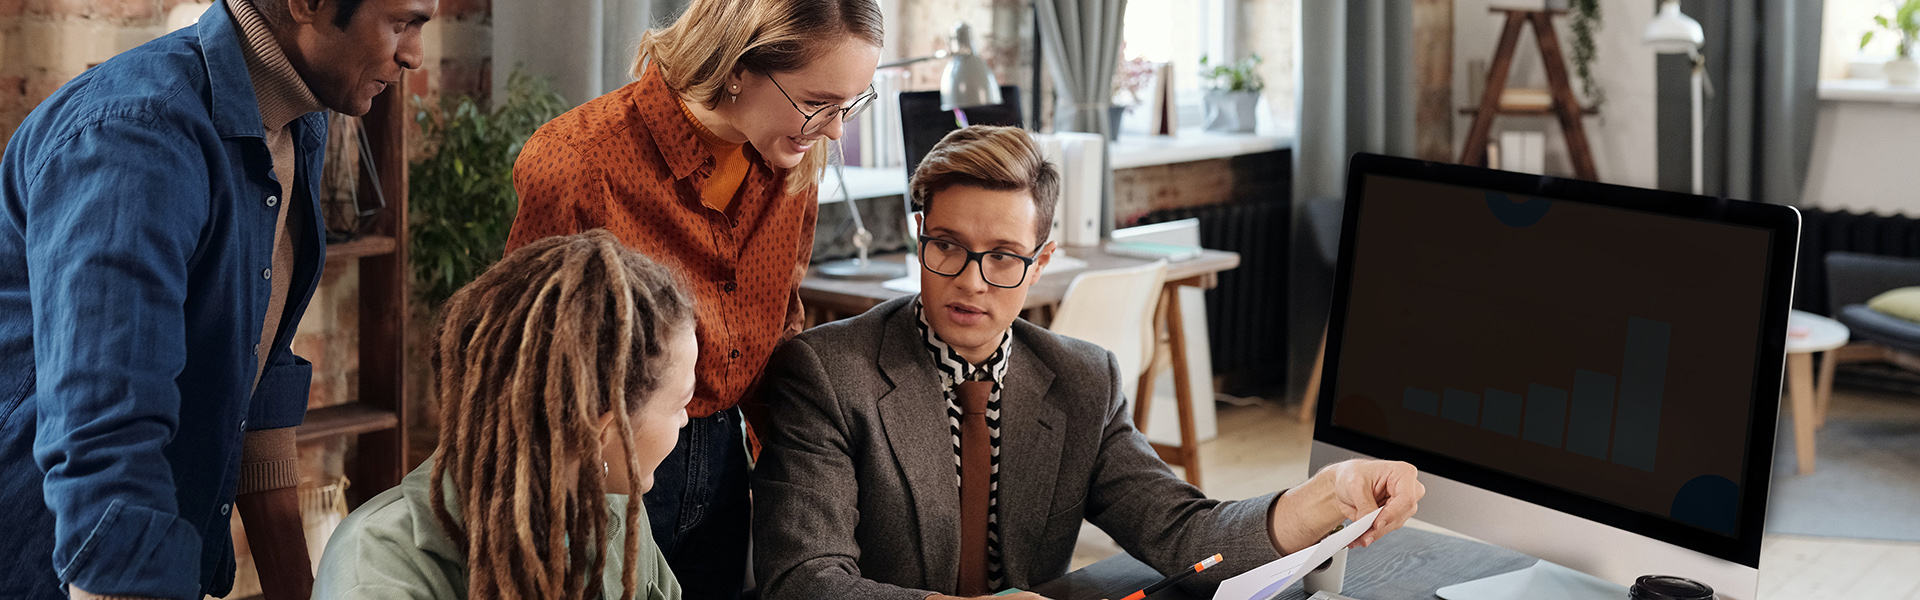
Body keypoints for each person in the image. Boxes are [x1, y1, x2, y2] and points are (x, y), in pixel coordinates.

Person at [751, 126, 1429, 600]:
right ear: (918, 235)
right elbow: (805, 581)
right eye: (948, 246)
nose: (972, 281)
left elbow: (1185, 536)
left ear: (1042, 262)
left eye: (1005, 257)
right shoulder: (827, 374)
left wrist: (1329, 491)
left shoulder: (1083, 380)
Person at [0, 0, 434, 598]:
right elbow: (106, 450)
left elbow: (257, 374)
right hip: (40, 561)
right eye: (402, 22)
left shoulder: (296, 121)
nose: (414, 54)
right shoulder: (136, 136)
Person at [503, 0, 881, 596]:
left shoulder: (796, 155)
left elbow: (781, 327)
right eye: (818, 104)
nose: (835, 130)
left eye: (851, 104)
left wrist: (800, 473)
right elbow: (523, 368)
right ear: (738, 67)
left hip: (728, 459)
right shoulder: (578, 163)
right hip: (603, 465)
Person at [313, 231, 697, 600]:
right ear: (604, 431)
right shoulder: (375, 569)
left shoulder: (609, 510)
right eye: (681, 403)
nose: (686, 420)